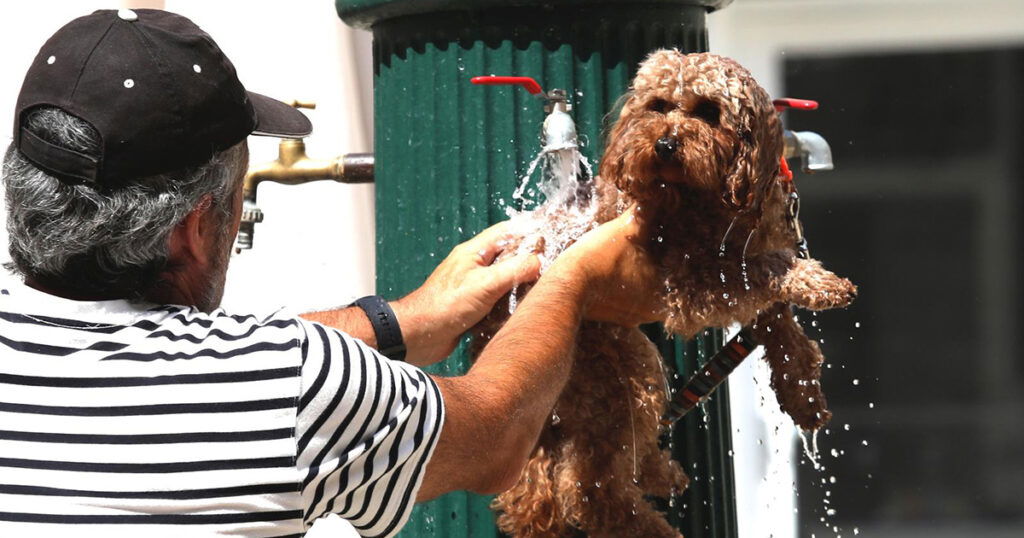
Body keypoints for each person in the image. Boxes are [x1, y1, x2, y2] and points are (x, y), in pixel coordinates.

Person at [0, 8, 664, 538]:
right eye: (237, 206)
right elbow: (494, 433)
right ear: (195, 228)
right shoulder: (290, 382)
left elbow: (167, 363)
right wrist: (573, 279)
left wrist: (401, 321)